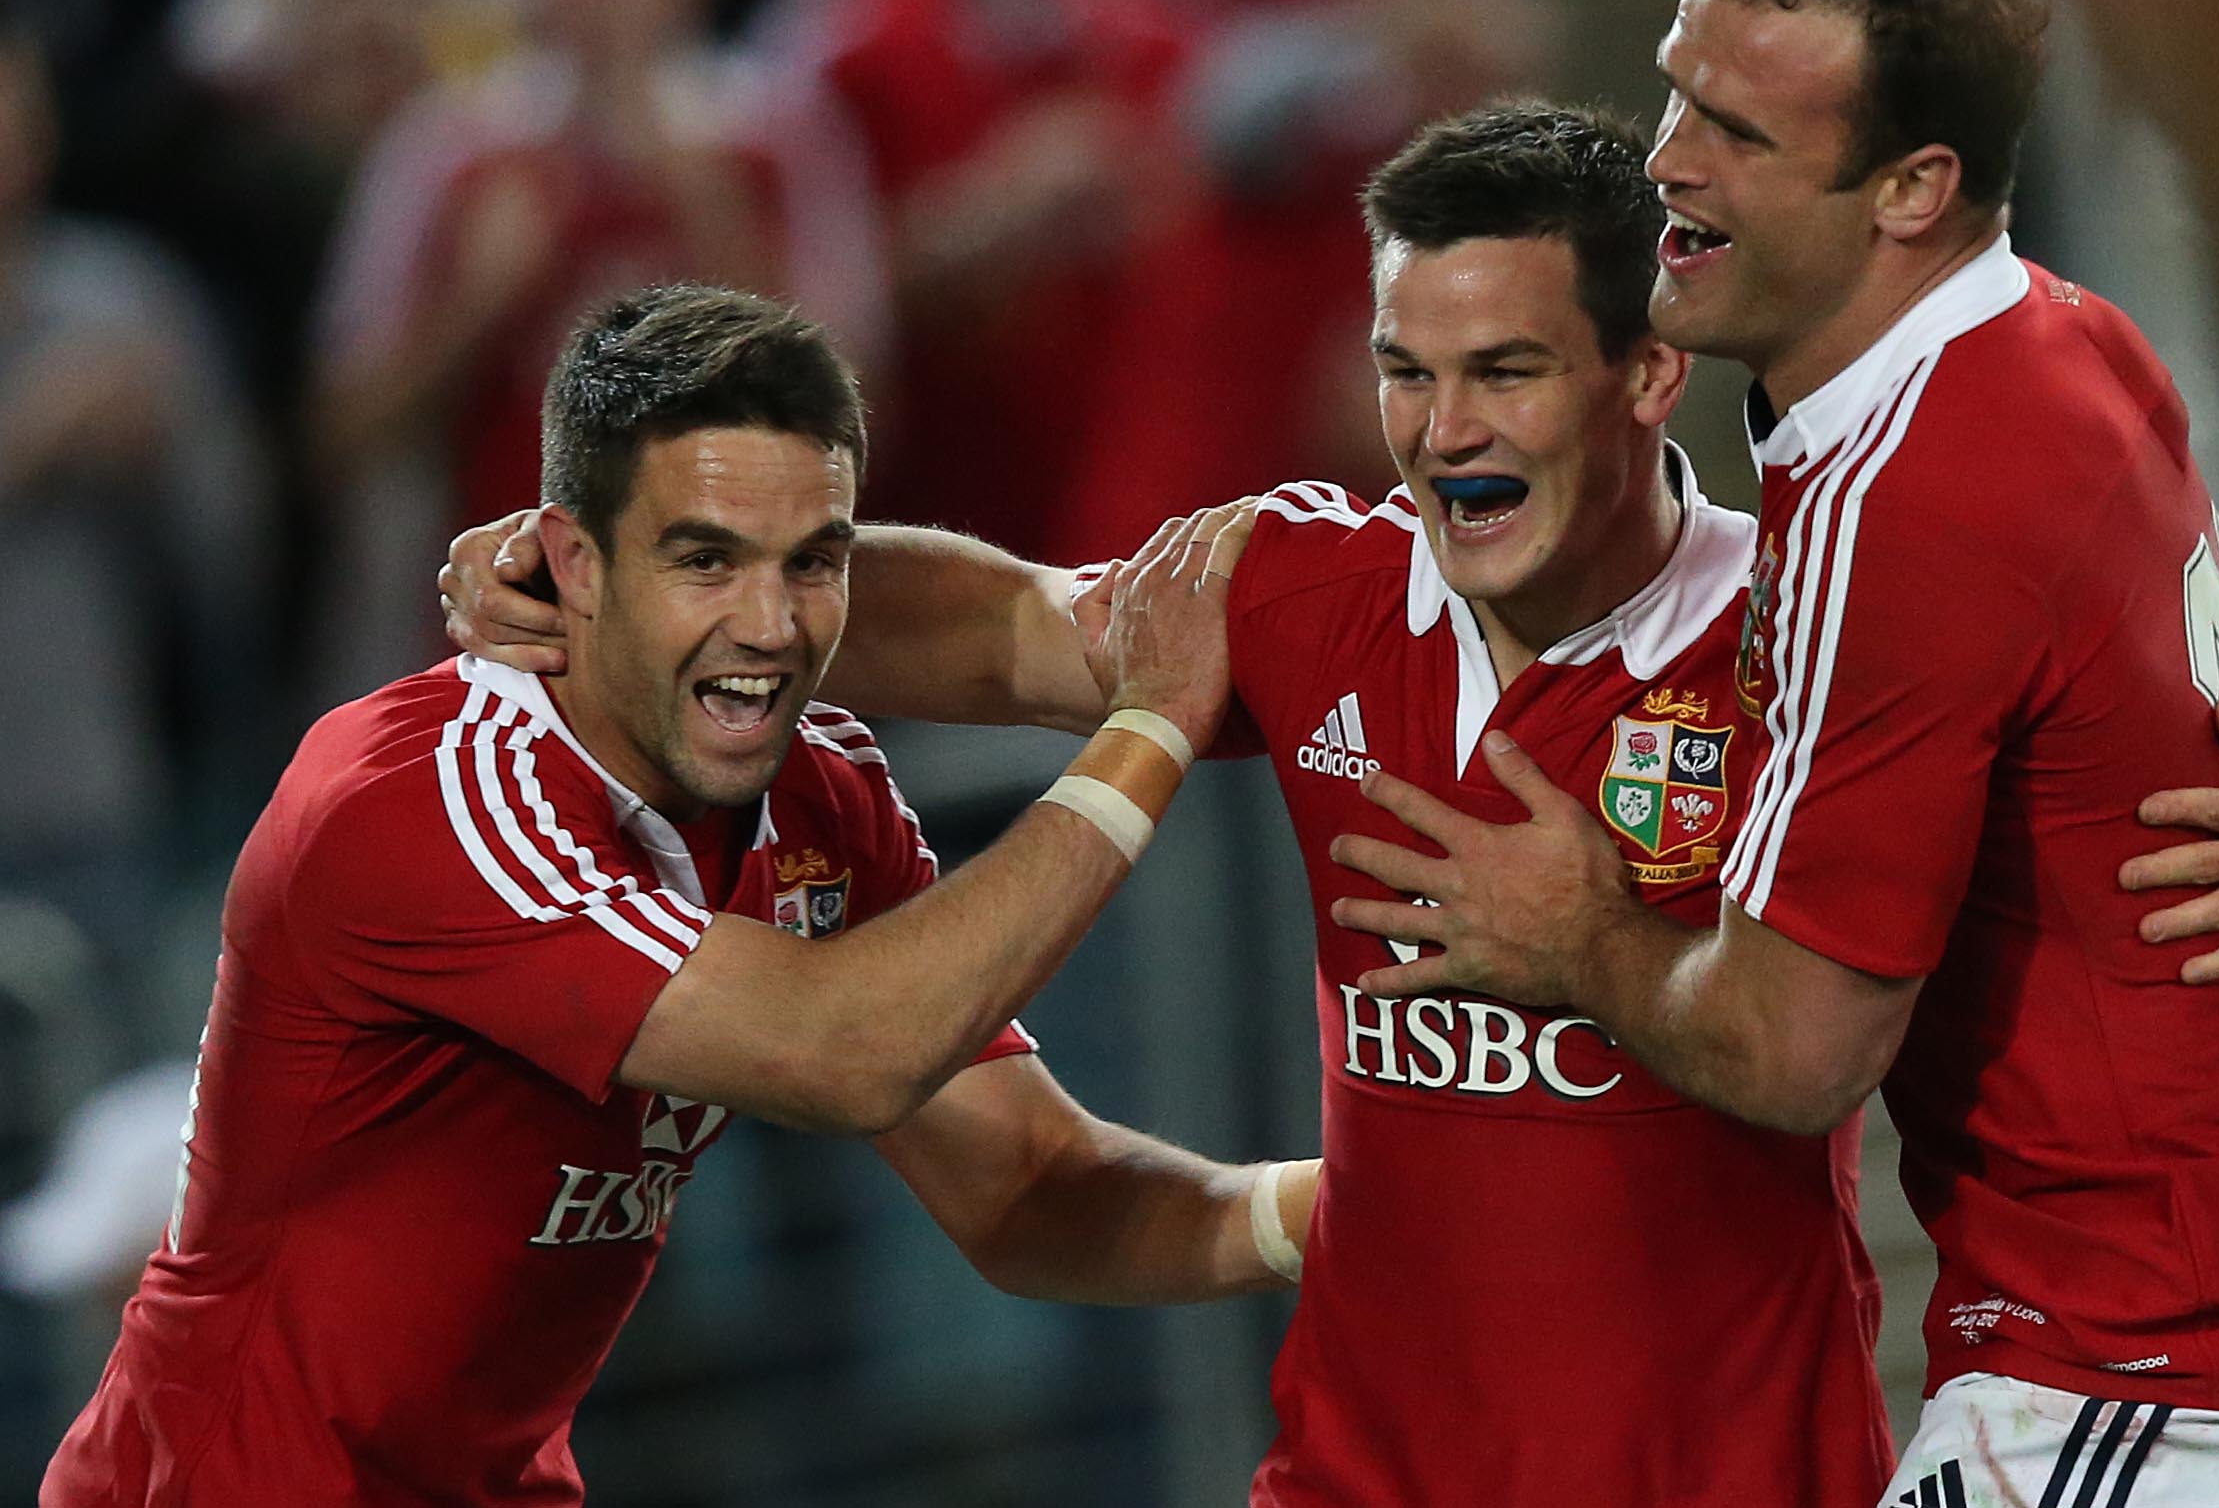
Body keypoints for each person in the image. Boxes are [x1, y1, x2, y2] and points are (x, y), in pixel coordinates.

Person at [444, 107, 2219, 1505]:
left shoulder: (1812, 634)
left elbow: (2151, 796)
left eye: (1503, 371)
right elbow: (1013, 630)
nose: (1443, 430)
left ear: (1647, 372)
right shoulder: (1300, 588)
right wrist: (662, 585)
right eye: (1406, 370)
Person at [1322, 0, 2219, 1506]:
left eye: (1740, 134)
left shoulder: (1916, 488)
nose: (1668, 166)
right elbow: (2182, 750)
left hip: (2181, 1365)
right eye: (1675, 92)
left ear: (1912, 188)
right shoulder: (2055, 340)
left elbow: (1797, 1048)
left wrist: (1570, 928)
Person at [44, 284, 1315, 1507]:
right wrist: (1144, 735)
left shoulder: (816, 795)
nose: (768, 624)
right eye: (703, 559)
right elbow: (844, 1049)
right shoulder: (427, 794)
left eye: (810, 562)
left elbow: (1030, 1189)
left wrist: (1353, 1205)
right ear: (569, 561)